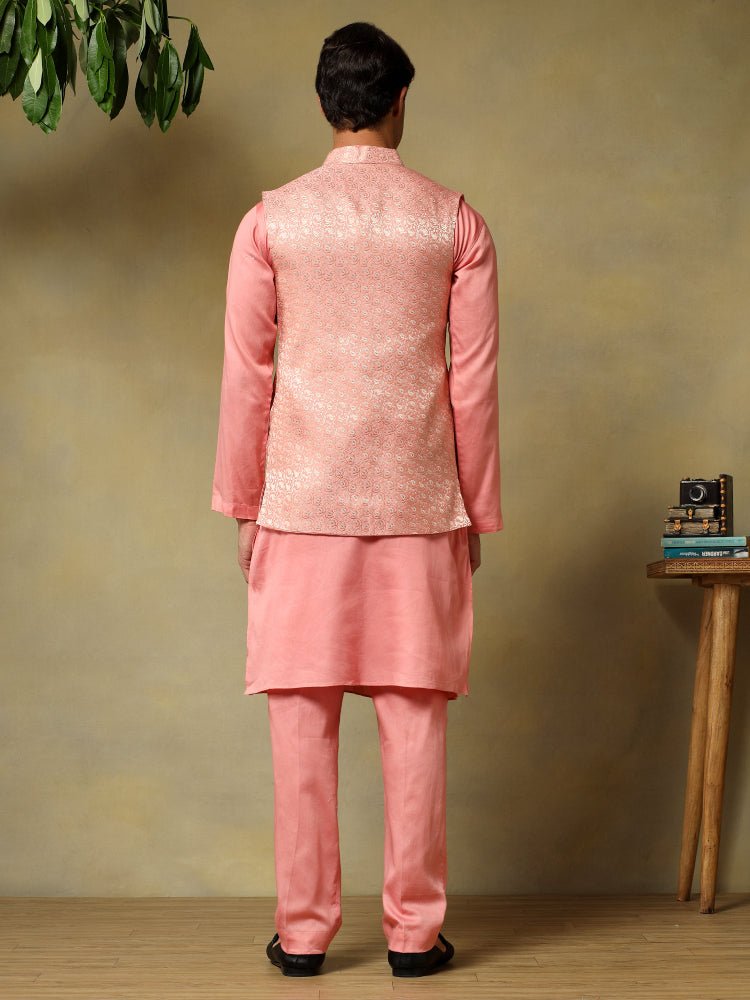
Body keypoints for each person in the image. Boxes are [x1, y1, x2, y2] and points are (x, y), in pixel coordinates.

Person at [211, 20, 502, 979]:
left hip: (300, 507)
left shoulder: (270, 223)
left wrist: (244, 505)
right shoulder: (454, 222)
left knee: (300, 726)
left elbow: (246, 377)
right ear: (400, 101)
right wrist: (475, 510)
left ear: (324, 103)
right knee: (415, 726)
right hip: (420, 505)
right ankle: (414, 937)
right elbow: (473, 384)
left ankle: (303, 936)